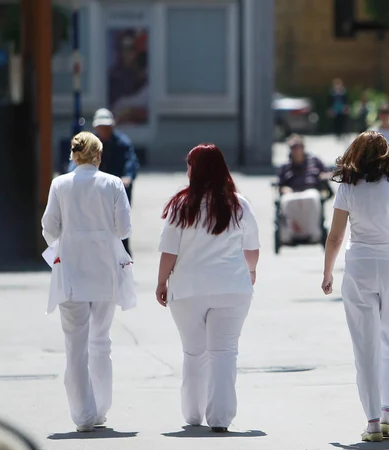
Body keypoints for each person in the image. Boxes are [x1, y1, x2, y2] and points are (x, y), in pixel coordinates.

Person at [321, 131, 389, 442]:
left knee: (365, 346)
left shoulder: (348, 189)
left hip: (361, 266)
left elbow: (336, 236)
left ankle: (372, 422)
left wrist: (327, 272)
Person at [156, 144, 260, 433]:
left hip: (188, 290)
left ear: (196, 169)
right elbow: (252, 249)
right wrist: (250, 271)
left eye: (189, 164)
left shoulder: (181, 205)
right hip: (232, 287)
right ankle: (220, 418)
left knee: (194, 352)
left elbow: (169, 252)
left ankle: (193, 413)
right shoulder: (239, 204)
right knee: (224, 352)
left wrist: (161, 281)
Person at [42, 131, 136, 432]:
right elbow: (124, 228)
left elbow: (49, 227)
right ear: (98, 155)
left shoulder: (60, 184)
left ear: (73, 155)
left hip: (71, 270)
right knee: (101, 341)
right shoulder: (112, 184)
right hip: (105, 270)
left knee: (75, 346)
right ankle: (100, 408)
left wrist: (67, 240)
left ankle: (83, 414)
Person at [70, 108, 140, 255]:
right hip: (93, 189)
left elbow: (131, 161)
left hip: (118, 188)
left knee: (120, 222)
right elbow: (75, 159)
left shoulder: (122, 143)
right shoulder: (87, 143)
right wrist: (73, 176)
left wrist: (127, 176)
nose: (104, 130)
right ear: (96, 127)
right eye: (101, 127)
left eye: (107, 126)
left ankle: (123, 254)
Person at [277, 134, 330, 244]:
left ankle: (314, 233)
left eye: (298, 147)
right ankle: (289, 234)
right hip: (292, 192)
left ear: (303, 147)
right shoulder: (285, 166)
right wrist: (284, 189)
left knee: (312, 198)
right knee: (287, 201)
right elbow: (280, 185)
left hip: (310, 190)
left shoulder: (314, 161)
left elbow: (326, 173)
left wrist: (323, 177)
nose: (296, 150)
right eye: (293, 147)